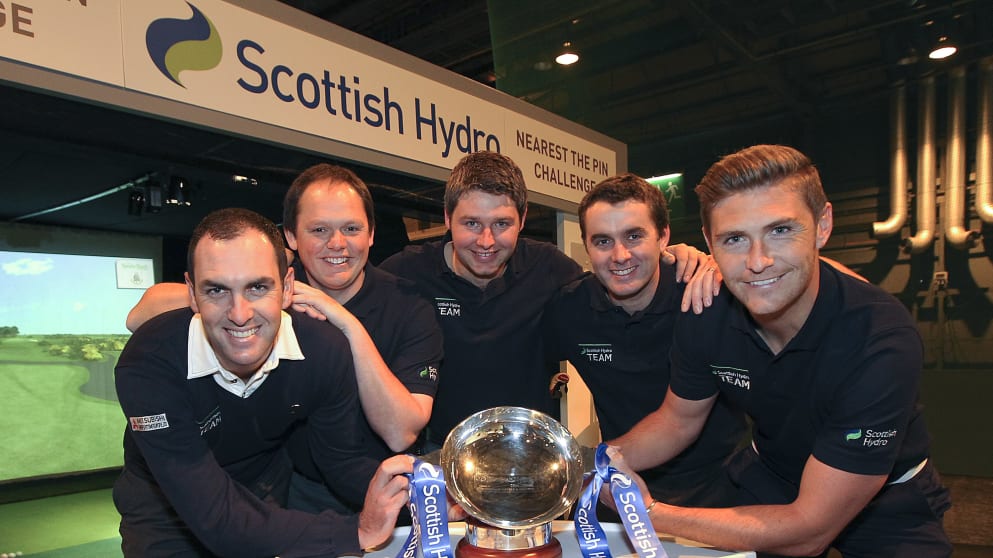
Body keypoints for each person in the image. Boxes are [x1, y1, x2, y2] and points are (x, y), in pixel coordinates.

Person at [607, 145, 952, 557]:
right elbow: (677, 420)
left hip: (886, 498)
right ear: (709, 243)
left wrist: (647, 512)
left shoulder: (879, 338)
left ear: (822, 225)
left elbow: (809, 531)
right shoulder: (706, 312)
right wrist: (594, 463)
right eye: (735, 239)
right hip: (774, 473)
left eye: (781, 230)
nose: (758, 261)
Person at [125, 164, 444, 516]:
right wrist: (264, 295)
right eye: (319, 230)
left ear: (371, 234)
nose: (337, 243)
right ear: (291, 237)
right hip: (298, 488)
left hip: (381, 480)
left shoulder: (408, 307)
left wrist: (347, 324)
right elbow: (139, 315)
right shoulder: (270, 284)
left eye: (351, 228)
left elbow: (400, 433)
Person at [113, 208, 412, 557]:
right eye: (217, 290)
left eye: (257, 287)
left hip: (261, 492)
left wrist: (419, 497)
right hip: (165, 510)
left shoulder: (322, 350)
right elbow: (217, 520)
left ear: (286, 288)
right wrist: (356, 531)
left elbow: (339, 460)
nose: (240, 314)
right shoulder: (149, 362)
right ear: (192, 294)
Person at [379, 151, 707, 450]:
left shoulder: (549, 269)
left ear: (522, 219)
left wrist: (679, 258)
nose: (486, 241)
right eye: (471, 223)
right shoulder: (405, 275)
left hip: (530, 459)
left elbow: (614, 280)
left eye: (502, 224)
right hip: (439, 456)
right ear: (448, 217)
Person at [543, 173, 747, 509]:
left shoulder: (706, 295)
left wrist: (723, 265)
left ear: (663, 236)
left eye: (634, 236)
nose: (620, 255)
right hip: (620, 485)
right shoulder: (569, 309)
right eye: (603, 241)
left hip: (721, 488)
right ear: (587, 245)